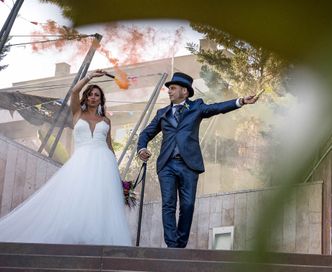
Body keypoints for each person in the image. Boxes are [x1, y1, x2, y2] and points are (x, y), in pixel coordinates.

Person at [0, 70, 132, 246]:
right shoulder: (77, 113)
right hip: (82, 161)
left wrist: (116, 171)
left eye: (97, 95)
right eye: (91, 94)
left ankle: (99, 238)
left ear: (101, 100)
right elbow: (74, 92)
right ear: (86, 98)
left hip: (104, 162)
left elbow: (109, 145)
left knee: (101, 200)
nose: (93, 97)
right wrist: (90, 77)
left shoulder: (106, 121)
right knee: (78, 195)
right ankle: (76, 234)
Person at [136, 72, 260, 248]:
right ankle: (172, 246)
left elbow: (217, 107)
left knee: (187, 205)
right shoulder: (162, 113)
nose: (169, 92)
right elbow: (145, 134)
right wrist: (142, 148)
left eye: (172, 88)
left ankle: (181, 245)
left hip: (189, 165)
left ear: (184, 91)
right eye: (169, 89)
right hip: (167, 165)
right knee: (168, 205)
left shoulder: (197, 108)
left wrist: (240, 101)